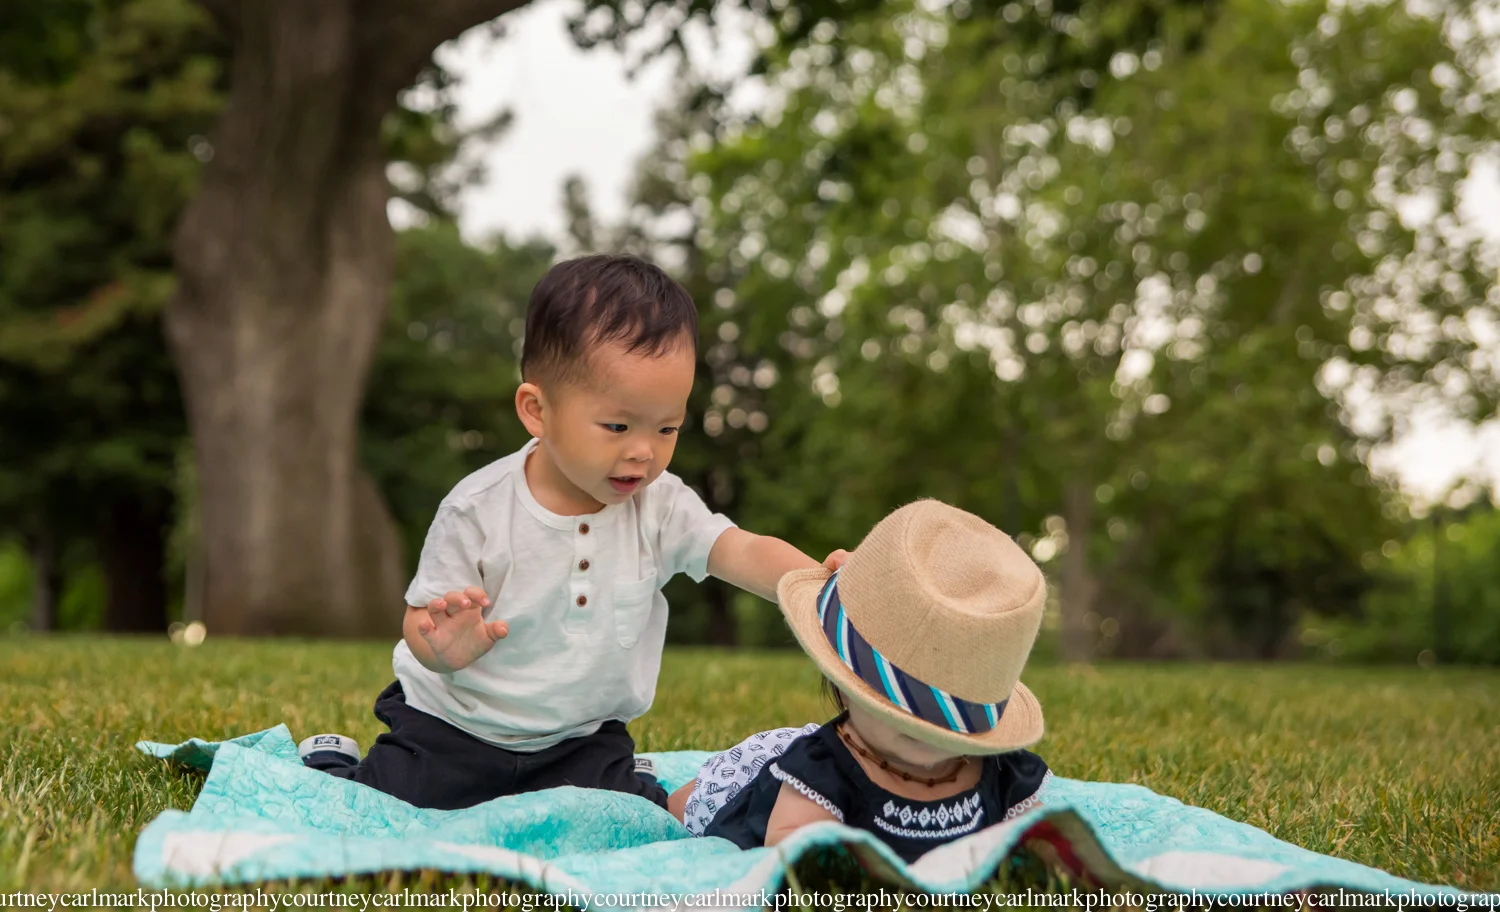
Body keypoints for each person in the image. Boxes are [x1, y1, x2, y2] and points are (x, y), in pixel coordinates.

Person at [300, 254, 821, 810]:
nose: (644, 451)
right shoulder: (477, 510)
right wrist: (440, 646)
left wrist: (816, 584)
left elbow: (737, 548)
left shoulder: (661, 504)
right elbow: (422, 621)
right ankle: (331, 761)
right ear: (536, 410)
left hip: (581, 740)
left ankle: (665, 784)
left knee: (631, 815)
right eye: (618, 426)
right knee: (384, 807)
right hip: (455, 730)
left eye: (667, 427)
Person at [669, 500, 1052, 863]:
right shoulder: (822, 769)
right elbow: (789, 851)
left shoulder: (1002, 772)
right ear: (843, 684)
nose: (922, 727)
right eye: (895, 711)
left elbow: (1042, 845)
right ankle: (649, 784)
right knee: (689, 804)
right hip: (744, 800)